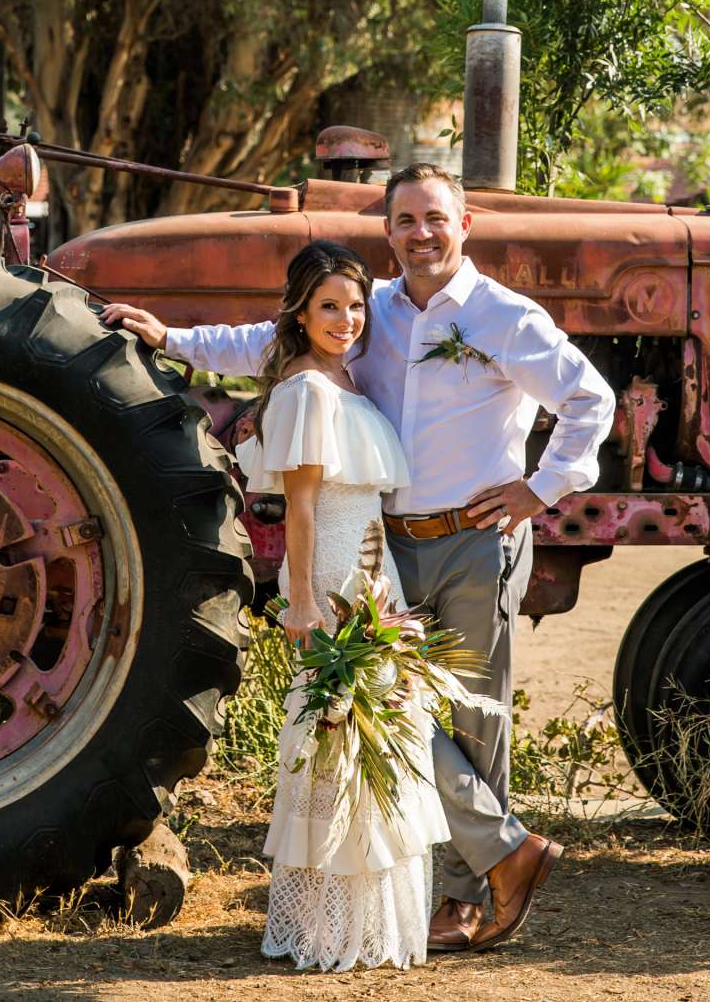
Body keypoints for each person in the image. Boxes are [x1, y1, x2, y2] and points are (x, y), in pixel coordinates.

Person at [104, 163, 616, 953]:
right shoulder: (368, 310)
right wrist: (172, 338)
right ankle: (506, 853)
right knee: (401, 716)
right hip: (388, 546)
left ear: (465, 223)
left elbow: (591, 400)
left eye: (436, 218)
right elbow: (271, 342)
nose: (422, 234)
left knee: (476, 719)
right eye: (406, 220)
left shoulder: (504, 316)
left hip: (477, 540)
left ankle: (471, 898)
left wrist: (539, 491)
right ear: (388, 232)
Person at [234, 240, 449, 969]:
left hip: (373, 568)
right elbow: (297, 507)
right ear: (300, 310)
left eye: (356, 305)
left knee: (379, 736)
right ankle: (325, 924)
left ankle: (363, 924)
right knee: (333, 739)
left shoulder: (347, 379)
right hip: (328, 570)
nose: (347, 318)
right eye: (330, 305)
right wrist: (300, 600)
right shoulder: (305, 392)